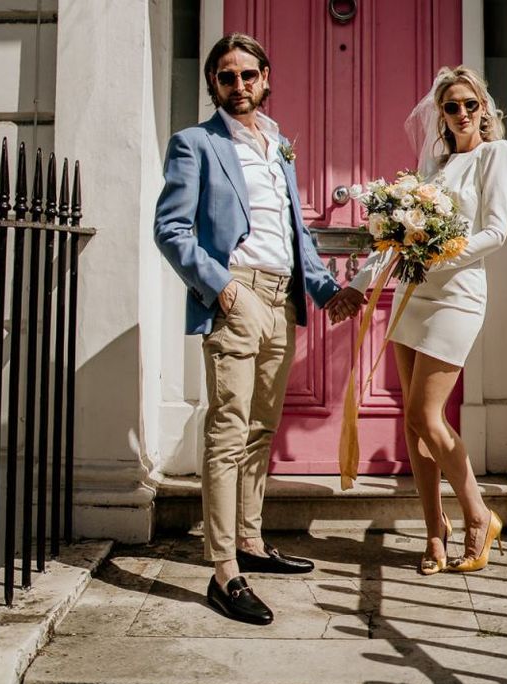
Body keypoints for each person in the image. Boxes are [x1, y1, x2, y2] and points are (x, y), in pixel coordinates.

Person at [154, 33, 361, 625]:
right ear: (213, 85)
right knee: (227, 430)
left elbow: (294, 234)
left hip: (282, 298)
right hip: (236, 292)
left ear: (266, 77)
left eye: (248, 74)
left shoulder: (279, 145)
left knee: (260, 428)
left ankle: (249, 539)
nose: (239, 85)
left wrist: (325, 289)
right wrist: (221, 287)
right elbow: (172, 230)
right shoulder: (195, 143)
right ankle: (224, 572)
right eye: (227, 77)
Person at [333, 66, 507, 575]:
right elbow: (398, 236)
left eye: (470, 105)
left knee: (425, 415)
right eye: (451, 106)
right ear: (441, 113)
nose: (461, 114)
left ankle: (480, 516)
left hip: (456, 294)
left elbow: (496, 232)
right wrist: (358, 282)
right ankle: (435, 530)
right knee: (413, 426)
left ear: (485, 108)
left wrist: (441, 255)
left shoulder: (496, 155)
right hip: (412, 294)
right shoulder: (430, 165)